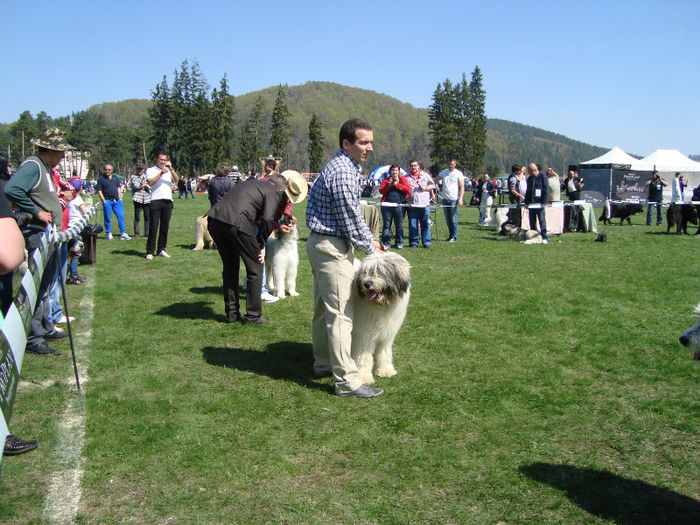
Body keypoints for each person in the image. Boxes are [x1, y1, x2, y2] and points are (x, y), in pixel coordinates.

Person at [306, 118, 386, 398]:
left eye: (371, 142)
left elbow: (350, 215)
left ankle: (323, 362)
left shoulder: (346, 167)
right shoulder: (342, 171)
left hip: (323, 243)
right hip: (332, 247)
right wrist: (371, 249)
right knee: (341, 315)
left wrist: (369, 241)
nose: (370, 148)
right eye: (364, 142)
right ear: (346, 144)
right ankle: (346, 380)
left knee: (323, 309)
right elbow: (350, 216)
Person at [4, 127, 72, 355]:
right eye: (61, 151)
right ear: (50, 149)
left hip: (48, 235)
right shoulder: (33, 166)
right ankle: (34, 337)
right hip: (37, 235)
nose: (63, 156)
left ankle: (45, 326)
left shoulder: (44, 168)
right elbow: (13, 189)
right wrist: (36, 212)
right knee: (38, 287)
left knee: (47, 285)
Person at [207, 173, 294, 325]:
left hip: (215, 220)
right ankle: (253, 316)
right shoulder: (274, 192)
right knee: (255, 267)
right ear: (281, 190)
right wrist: (260, 244)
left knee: (230, 268)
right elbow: (267, 219)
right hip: (237, 222)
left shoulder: (250, 183)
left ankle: (232, 314)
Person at [145, 152, 179, 259]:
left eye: (164, 160)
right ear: (157, 160)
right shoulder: (150, 170)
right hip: (155, 200)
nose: (163, 162)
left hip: (167, 201)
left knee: (165, 227)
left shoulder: (169, 170)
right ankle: (150, 251)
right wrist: (161, 173)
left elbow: (176, 180)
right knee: (153, 227)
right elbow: (150, 183)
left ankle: (161, 249)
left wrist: (171, 169)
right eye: (161, 160)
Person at [379, 164, 410, 249]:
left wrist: (397, 184)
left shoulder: (403, 179)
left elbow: (407, 189)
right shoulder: (385, 180)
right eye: (393, 170)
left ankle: (399, 242)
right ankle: (386, 243)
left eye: (396, 170)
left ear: (399, 172)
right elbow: (381, 191)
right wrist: (388, 185)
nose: (394, 172)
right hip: (386, 206)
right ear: (390, 171)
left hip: (399, 206)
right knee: (386, 225)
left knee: (399, 225)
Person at [96, 164, 130, 240]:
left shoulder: (115, 178)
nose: (107, 171)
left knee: (121, 216)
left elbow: (118, 188)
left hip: (117, 201)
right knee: (107, 218)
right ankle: (109, 233)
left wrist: (120, 198)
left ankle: (123, 233)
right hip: (107, 201)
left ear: (112, 170)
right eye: (106, 169)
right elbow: (99, 191)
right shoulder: (101, 179)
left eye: (109, 169)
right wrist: (104, 201)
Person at [406, 160, 435, 248]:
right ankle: (414, 243)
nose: (413, 167)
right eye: (411, 166)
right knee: (412, 224)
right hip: (412, 204)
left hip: (424, 204)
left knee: (425, 223)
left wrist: (425, 188)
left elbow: (432, 185)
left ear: (418, 166)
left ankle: (426, 242)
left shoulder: (425, 175)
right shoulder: (406, 177)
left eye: (415, 165)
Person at [66, 180, 88, 285]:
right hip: (76, 228)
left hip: (67, 227)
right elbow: (85, 212)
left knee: (68, 252)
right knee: (76, 252)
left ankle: (70, 274)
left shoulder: (66, 198)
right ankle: (73, 275)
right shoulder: (77, 198)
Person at [438, 157, 464, 242]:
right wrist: (433, 188)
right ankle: (450, 236)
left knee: (453, 219)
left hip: (453, 199)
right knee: (448, 219)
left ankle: (454, 236)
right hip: (445, 199)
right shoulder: (444, 172)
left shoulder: (458, 173)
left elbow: (462, 186)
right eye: (449, 164)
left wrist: (460, 198)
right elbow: (435, 179)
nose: (450, 166)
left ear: (455, 164)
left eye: (452, 164)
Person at [524, 162, 550, 243]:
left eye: (530, 171)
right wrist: (526, 202)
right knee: (532, 221)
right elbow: (528, 191)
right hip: (531, 203)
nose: (529, 173)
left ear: (534, 170)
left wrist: (543, 202)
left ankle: (544, 237)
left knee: (541, 221)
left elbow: (546, 190)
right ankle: (533, 236)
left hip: (540, 203)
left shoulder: (543, 176)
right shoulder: (529, 179)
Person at [129, 162, 150, 238]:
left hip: (147, 199)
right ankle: (137, 232)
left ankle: (147, 232)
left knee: (147, 216)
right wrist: (143, 185)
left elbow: (150, 186)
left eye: (141, 169)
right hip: (137, 199)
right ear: (136, 169)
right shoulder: (133, 177)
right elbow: (136, 185)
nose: (140, 170)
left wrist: (144, 186)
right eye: (138, 169)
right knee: (137, 217)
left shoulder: (147, 176)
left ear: (144, 169)